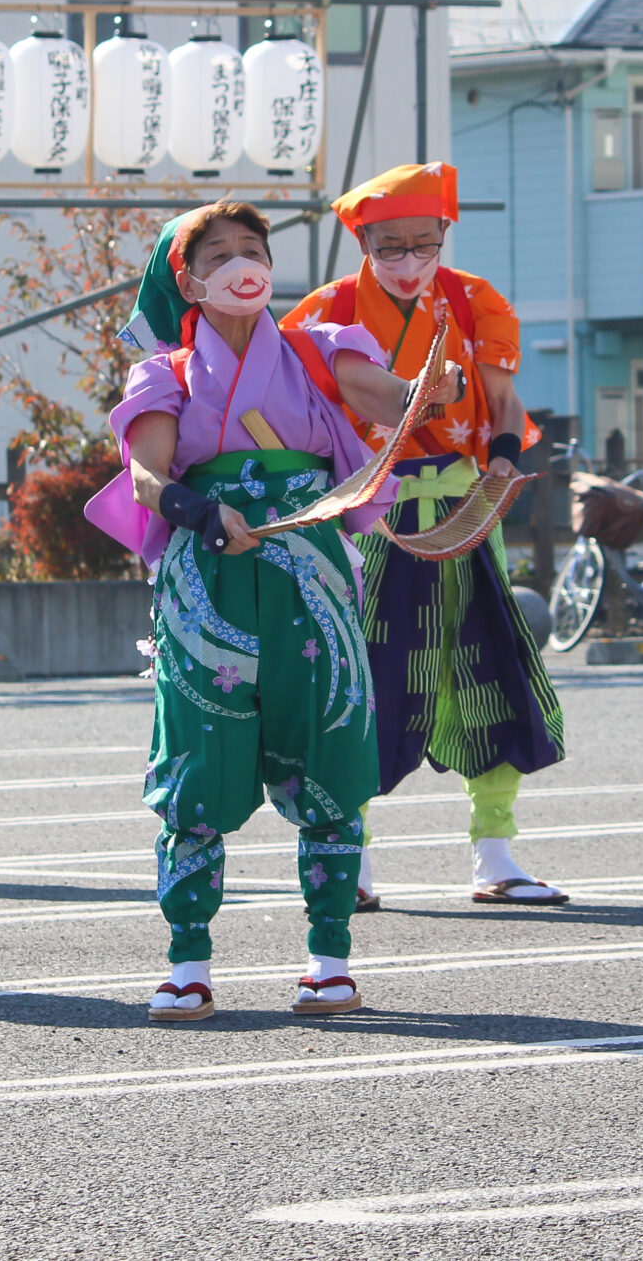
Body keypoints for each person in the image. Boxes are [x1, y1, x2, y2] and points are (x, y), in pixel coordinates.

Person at [88, 201, 460, 1021]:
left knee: (329, 745)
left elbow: (393, 397)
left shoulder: (321, 349)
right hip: (207, 574)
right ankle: (188, 962)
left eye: (251, 248)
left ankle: (329, 959)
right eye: (217, 253)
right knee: (196, 759)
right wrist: (198, 512)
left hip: (310, 568)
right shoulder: (166, 373)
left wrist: (432, 388)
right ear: (187, 279)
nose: (239, 262)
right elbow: (146, 474)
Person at [285, 162, 569, 909]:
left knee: (492, 667)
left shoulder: (475, 301)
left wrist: (505, 455)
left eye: (424, 244)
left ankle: (496, 850)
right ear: (364, 242)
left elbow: (504, 399)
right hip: (371, 510)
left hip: (470, 505)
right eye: (392, 248)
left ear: (445, 235)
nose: (410, 263)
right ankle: (355, 855)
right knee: (366, 675)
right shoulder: (327, 311)